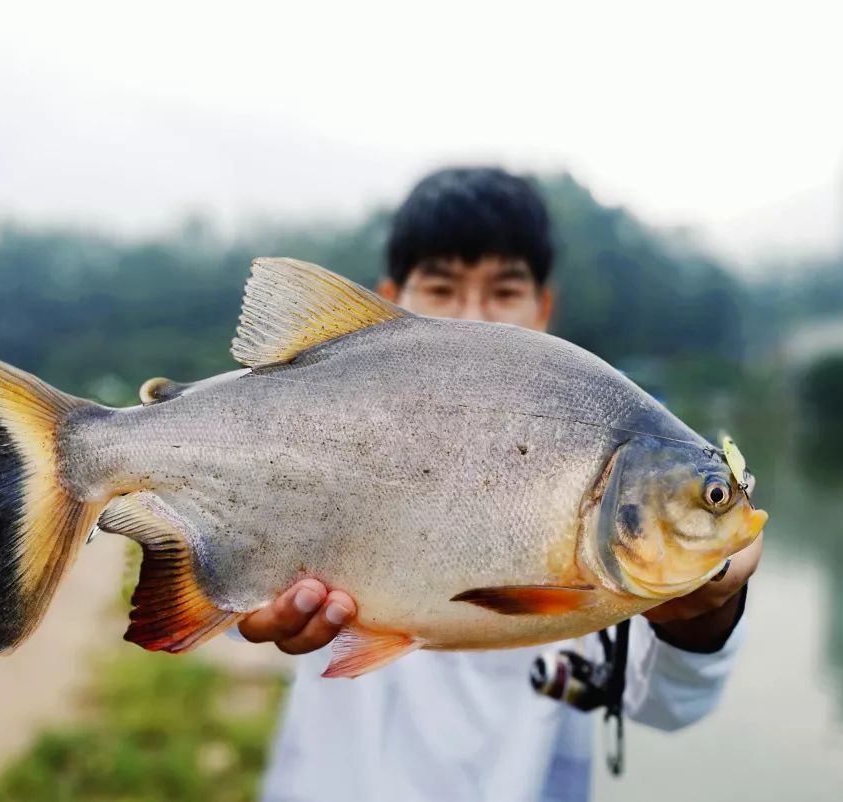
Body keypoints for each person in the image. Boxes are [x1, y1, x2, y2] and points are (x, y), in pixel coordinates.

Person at [239, 167, 763, 802]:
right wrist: (236, 586)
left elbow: (669, 705)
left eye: (503, 290)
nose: (472, 316)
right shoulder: (320, 425)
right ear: (389, 299)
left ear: (542, 309)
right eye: (441, 286)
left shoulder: (603, 468)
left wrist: (706, 611)